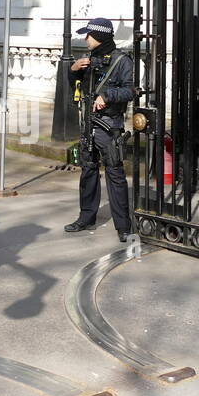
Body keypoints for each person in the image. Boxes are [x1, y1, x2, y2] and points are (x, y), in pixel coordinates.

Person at [65, 17, 133, 242]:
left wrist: (107, 96)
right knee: (88, 171)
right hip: (88, 125)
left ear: (100, 36)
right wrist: (73, 69)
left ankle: (123, 227)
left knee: (115, 173)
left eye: (89, 35)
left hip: (109, 125)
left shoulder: (122, 60)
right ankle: (86, 218)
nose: (86, 39)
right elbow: (77, 87)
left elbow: (130, 91)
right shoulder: (89, 59)